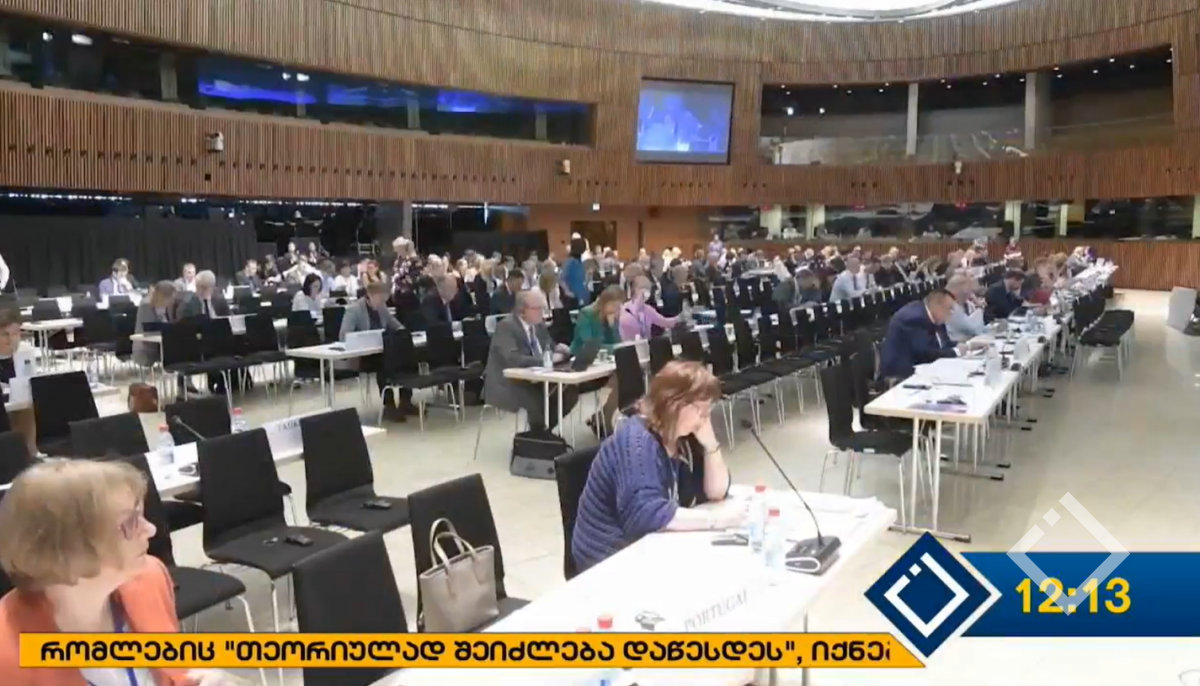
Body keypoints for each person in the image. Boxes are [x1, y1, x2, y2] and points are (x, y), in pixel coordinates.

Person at [0, 459, 241, 686]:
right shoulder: (7, 650)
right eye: (129, 523)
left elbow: (175, 673)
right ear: (68, 548)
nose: (151, 529)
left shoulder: (149, 579)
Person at [571, 361, 741, 573]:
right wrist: (716, 520)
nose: (706, 416)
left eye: (709, 408)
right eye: (701, 409)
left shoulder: (684, 437)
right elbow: (645, 514)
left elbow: (716, 492)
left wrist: (710, 444)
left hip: (652, 544)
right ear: (674, 404)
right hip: (609, 558)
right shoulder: (637, 442)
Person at [482, 290, 578, 433]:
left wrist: (560, 348)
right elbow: (513, 358)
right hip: (508, 382)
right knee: (537, 400)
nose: (542, 313)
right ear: (522, 311)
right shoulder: (506, 327)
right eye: (537, 309)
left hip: (537, 378)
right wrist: (545, 361)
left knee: (569, 393)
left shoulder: (538, 325)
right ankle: (539, 436)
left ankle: (540, 433)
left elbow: (549, 346)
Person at [879, 290, 983, 380]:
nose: (951, 313)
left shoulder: (934, 317)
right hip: (901, 373)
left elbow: (944, 344)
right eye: (949, 308)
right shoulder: (914, 318)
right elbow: (925, 353)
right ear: (937, 305)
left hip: (923, 368)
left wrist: (968, 346)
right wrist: (956, 351)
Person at [0, 308, 37, 454]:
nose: (11, 339)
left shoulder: (25, 350)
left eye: (16, 333)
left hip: (20, 403)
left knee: (31, 406)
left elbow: (30, 379)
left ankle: (29, 452)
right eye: (5, 334)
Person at [619, 275, 677, 342]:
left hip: (646, 345)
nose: (645, 291)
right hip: (629, 346)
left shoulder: (648, 310)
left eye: (648, 288)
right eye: (642, 287)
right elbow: (627, 325)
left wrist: (679, 318)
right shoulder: (625, 309)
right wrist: (638, 301)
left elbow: (666, 322)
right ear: (633, 289)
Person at [133, 281, 177, 368]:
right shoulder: (146, 305)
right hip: (146, 347)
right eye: (171, 297)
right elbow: (149, 331)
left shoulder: (167, 306)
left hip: (163, 345)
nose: (173, 300)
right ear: (163, 296)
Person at [571, 285, 624, 355]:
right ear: (604, 302)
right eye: (614, 305)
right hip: (581, 355)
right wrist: (614, 348)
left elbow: (618, 344)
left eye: (618, 307)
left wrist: (612, 326)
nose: (616, 309)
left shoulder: (612, 316)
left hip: (604, 356)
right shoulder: (586, 314)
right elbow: (589, 345)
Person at [945, 274, 986, 343]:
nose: (970, 294)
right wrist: (980, 308)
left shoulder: (965, 304)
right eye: (969, 291)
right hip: (958, 344)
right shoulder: (950, 307)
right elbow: (973, 328)